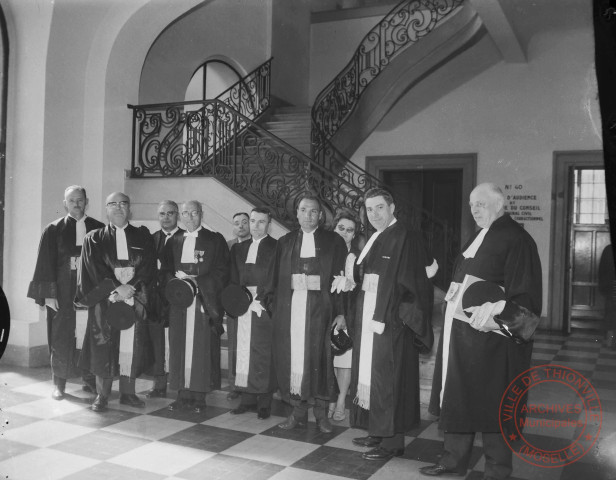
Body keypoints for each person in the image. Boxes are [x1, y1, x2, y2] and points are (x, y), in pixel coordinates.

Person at [421, 183, 542, 479]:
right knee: (459, 398)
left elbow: (525, 297)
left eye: (481, 204)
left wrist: (499, 313)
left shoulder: (517, 240)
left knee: (494, 405)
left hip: (492, 342)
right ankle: (452, 460)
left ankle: (497, 470)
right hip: (462, 339)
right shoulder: (479, 235)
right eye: (472, 204)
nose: (474, 209)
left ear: (499, 204)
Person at [349, 188, 434, 460]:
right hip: (370, 314)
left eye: (380, 208)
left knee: (389, 381)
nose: (374, 214)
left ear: (392, 207)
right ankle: (377, 430)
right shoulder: (376, 236)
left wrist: (399, 319)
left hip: (391, 321)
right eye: (369, 209)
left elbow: (415, 284)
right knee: (372, 376)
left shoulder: (406, 237)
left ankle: (392, 442)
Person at [261, 194, 347, 434]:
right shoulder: (285, 242)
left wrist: (341, 313)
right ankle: (296, 413)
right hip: (291, 314)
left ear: (320, 215)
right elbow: (271, 281)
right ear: (296, 213)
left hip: (322, 312)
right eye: (303, 210)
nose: (308, 215)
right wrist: (275, 309)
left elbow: (341, 279)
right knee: (294, 361)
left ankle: (321, 416)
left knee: (321, 362)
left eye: (313, 211)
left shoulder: (334, 242)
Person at [75, 192, 156, 412]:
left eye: (123, 203)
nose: (118, 207)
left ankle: (128, 394)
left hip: (134, 298)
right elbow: (92, 268)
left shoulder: (142, 236)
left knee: (132, 345)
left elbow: (148, 267)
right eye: (113, 204)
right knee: (104, 346)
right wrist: (115, 288)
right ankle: (102, 395)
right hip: (105, 300)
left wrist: (131, 289)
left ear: (130, 209)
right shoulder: (94, 238)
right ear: (106, 209)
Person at [28, 185, 104, 400]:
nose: (76, 204)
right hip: (61, 291)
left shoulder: (98, 228)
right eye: (72, 201)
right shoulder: (53, 229)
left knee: (88, 333)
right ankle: (59, 384)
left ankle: (90, 380)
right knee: (61, 335)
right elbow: (44, 264)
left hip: (89, 291)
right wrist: (48, 294)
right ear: (65, 203)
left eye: (80, 200)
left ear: (86, 202)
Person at [163, 200, 229, 413]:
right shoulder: (174, 240)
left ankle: (199, 397)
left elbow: (221, 271)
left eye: (193, 213)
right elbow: (164, 270)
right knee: (179, 346)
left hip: (203, 301)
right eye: (185, 213)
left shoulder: (214, 239)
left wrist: (197, 282)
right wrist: (175, 285)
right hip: (179, 303)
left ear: (201, 214)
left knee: (201, 348)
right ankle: (182, 395)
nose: (189, 217)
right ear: (180, 216)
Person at [228, 207, 277, 419]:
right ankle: (247, 398)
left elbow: (276, 278)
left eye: (261, 222)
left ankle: (264, 401)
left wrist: (262, 298)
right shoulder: (239, 249)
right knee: (243, 351)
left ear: (269, 224)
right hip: (241, 305)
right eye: (253, 221)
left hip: (263, 305)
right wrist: (237, 298)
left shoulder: (277, 247)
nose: (256, 226)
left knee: (262, 352)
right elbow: (232, 277)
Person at [145, 200, 184, 398]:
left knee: (177, 342)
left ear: (177, 215)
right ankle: (159, 383)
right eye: (162, 214)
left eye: (170, 213)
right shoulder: (151, 239)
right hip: (155, 299)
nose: (166, 217)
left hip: (177, 299)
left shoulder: (185, 237)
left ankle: (179, 385)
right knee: (157, 343)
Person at [328, 208, 361, 422]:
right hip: (324, 312)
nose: (344, 233)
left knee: (344, 360)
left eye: (349, 230)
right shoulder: (326, 251)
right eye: (341, 228)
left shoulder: (353, 259)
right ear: (334, 228)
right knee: (329, 362)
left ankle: (340, 401)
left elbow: (356, 292)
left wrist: (344, 315)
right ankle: (330, 399)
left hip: (346, 314)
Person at [226, 212, 251, 400]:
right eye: (237, 223)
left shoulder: (260, 245)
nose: (241, 226)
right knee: (234, 343)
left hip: (254, 301)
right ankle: (235, 383)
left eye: (245, 222)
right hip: (234, 301)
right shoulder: (228, 246)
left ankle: (253, 383)